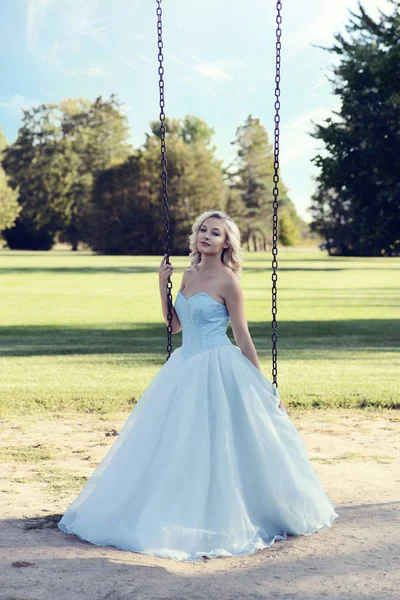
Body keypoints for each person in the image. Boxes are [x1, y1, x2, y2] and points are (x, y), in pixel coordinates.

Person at [58, 209, 339, 562]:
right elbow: (174, 327)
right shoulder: (188, 276)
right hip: (185, 364)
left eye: (216, 232)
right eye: (203, 230)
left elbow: (242, 336)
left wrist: (262, 384)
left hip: (219, 364)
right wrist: (162, 287)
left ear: (226, 243)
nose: (206, 236)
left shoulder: (228, 282)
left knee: (222, 439)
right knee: (176, 439)